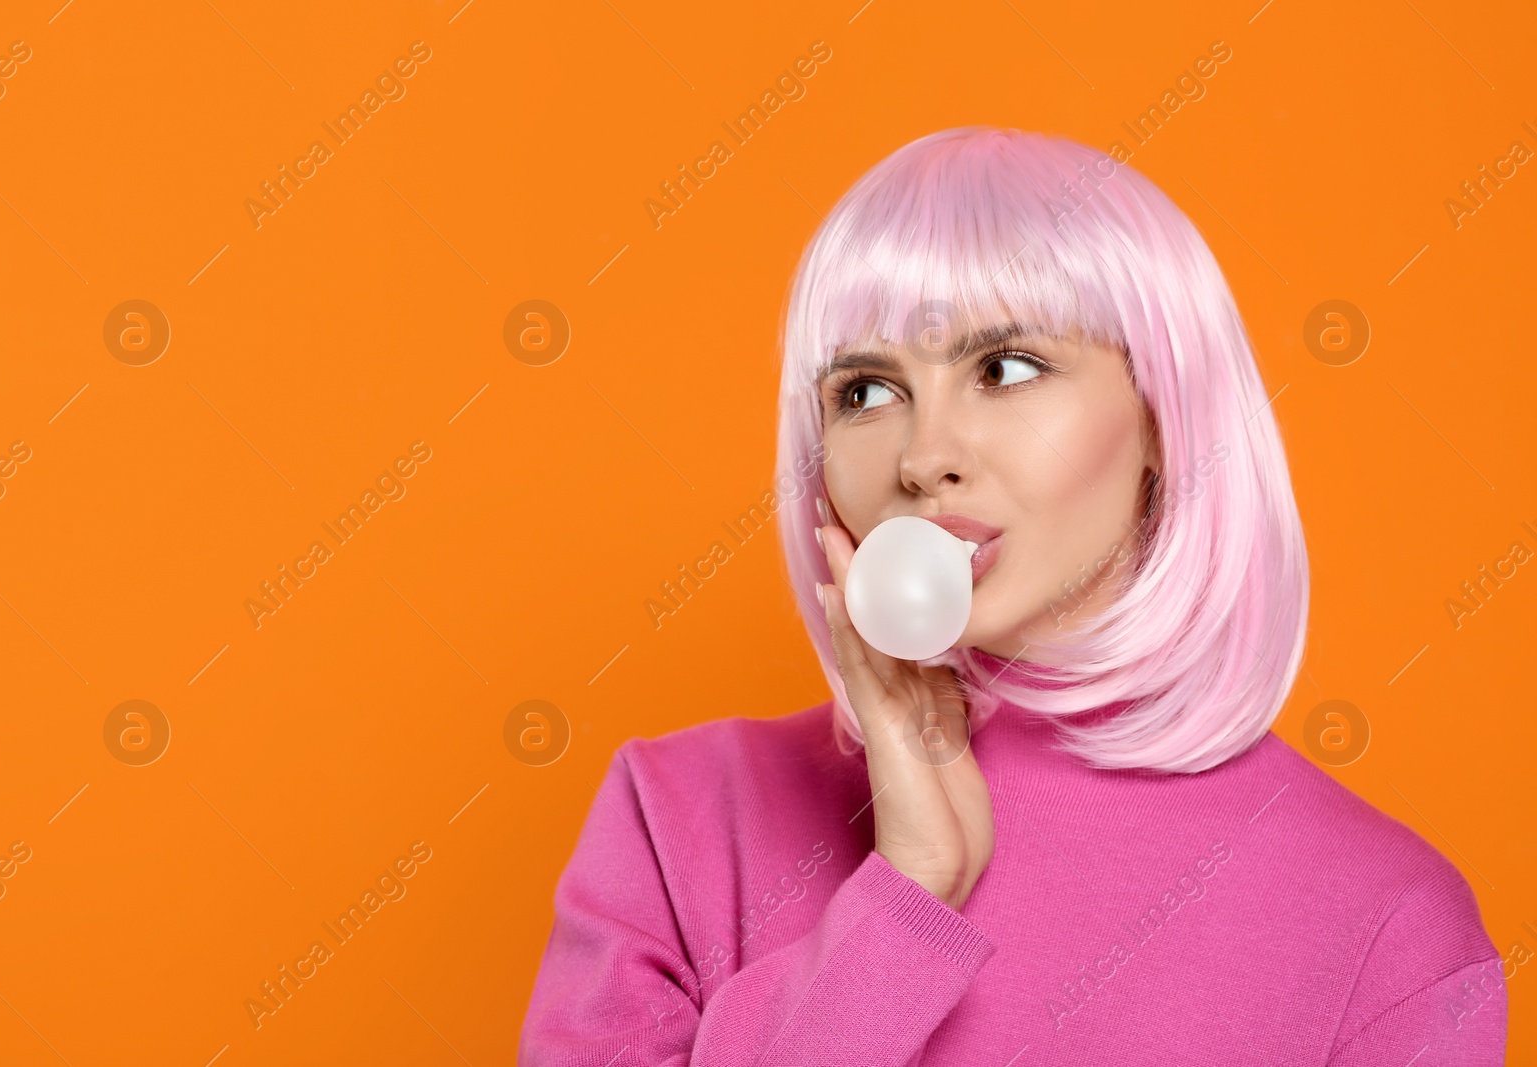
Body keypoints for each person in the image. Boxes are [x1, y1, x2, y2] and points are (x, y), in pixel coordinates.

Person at [517, 127, 1506, 1064]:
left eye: (1006, 367)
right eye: (864, 390)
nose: (924, 456)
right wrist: (903, 902)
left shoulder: (1386, 927)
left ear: (1165, 415)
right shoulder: (682, 813)